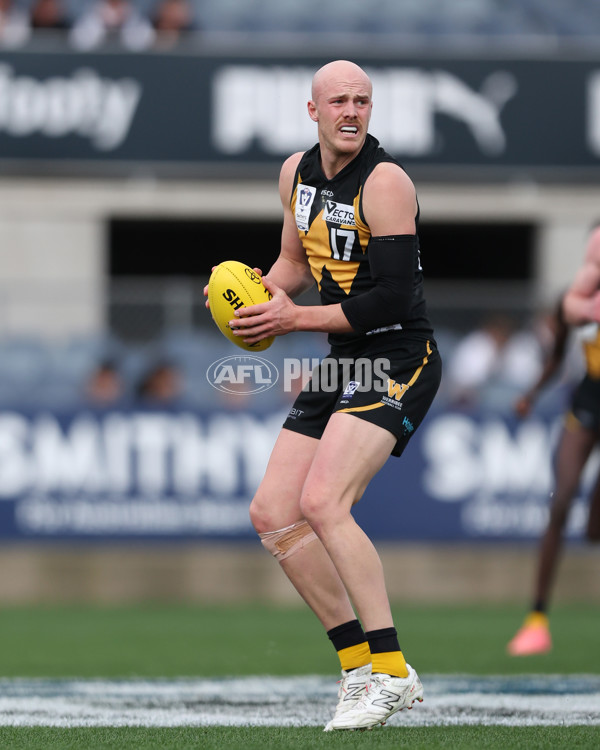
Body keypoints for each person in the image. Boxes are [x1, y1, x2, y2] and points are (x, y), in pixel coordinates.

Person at [204, 60, 441, 731]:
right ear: (313, 111)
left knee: (321, 502)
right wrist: (249, 299)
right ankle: (360, 667)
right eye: (339, 100)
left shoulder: (387, 182)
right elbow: (294, 268)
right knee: (274, 512)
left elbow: (391, 298)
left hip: (399, 354)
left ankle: (393, 673)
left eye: (363, 100)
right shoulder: (295, 174)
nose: (352, 111)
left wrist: (291, 319)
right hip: (344, 357)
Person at [507, 227, 600, 656]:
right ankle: (537, 618)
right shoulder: (575, 302)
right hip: (586, 405)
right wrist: (530, 393)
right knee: (560, 500)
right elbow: (558, 356)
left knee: (594, 529)